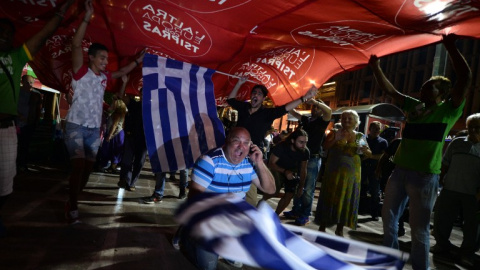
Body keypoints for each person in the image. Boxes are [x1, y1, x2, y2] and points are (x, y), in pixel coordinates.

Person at [368, 34, 472, 270]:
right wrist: (376, 67)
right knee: (388, 219)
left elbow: (465, 77)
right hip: (400, 171)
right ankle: (390, 261)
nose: (423, 88)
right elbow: (391, 90)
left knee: (419, 229)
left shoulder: (448, 111)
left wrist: (451, 48)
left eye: (429, 87)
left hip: (425, 176)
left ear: (442, 93)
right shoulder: (414, 107)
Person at [64, 0, 145, 224]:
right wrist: (87, 16)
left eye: (106, 59)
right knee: (79, 166)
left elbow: (121, 72)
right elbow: (76, 44)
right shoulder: (81, 72)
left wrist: (139, 60)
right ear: (91, 57)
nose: (105, 62)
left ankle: (72, 199)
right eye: (102, 58)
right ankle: (73, 206)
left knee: (88, 170)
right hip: (75, 127)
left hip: (93, 130)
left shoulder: (103, 78)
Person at [0, 0, 75, 236]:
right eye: (0, 32)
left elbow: (44, 34)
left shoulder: (16, 56)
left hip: (5, 129)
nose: (4, 36)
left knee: (6, 185)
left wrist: (61, 13)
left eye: (8, 33)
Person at [180, 127, 275, 269]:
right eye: (236, 141)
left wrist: (260, 163)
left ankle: (230, 249)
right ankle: (186, 234)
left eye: (246, 143)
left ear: (251, 145)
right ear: (227, 142)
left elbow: (270, 189)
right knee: (208, 266)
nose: (241, 147)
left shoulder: (249, 163)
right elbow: (194, 197)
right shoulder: (209, 161)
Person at [227, 77, 317, 206]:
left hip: (251, 157)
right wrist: (240, 83)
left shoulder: (267, 114)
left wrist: (304, 98)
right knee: (229, 183)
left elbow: (285, 108)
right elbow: (230, 100)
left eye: (259, 94)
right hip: (234, 152)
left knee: (248, 189)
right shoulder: (243, 108)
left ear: (263, 99)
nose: (255, 95)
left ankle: (248, 212)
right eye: (254, 93)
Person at [431, 113, 480, 267]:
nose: (473, 130)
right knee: (442, 218)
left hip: (473, 194)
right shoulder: (457, 142)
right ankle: (441, 245)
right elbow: (445, 164)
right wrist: (440, 179)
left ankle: (467, 253)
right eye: (470, 127)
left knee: (472, 226)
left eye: (477, 127)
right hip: (450, 188)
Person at [317, 110, 371, 236]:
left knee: (346, 197)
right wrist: (336, 139)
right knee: (330, 196)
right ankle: (323, 225)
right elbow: (325, 146)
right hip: (334, 172)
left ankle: (340, 228)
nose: (346, 120)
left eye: (350, 118)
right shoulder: (335, 132)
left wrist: (365, 150)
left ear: (356, 122)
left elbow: (369, 153)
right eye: (344, 118)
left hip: (352, 174)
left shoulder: (359, 136)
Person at [284, 98, 332, 225]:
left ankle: (305, 215)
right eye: (313, 106)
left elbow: (329, 112)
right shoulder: (306, 120)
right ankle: (296, 210)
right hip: (300, 158)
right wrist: (292, 100)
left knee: (308, 189)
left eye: (317, 107)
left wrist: (316, 102)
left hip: (313, 159)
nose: (315, 109)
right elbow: (293, 112)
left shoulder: (323, 121)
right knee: (298, 185)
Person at [262, 128, 309, 216]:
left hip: (292, 171)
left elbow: (303, 170)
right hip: (277, 168)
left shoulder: (305, 152)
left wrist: (301, 187)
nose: (303, 145)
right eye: (301, 142)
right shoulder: (281, 146)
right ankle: (261, 203)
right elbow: (271, 164)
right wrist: (285, 171)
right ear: (292, 140)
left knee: (290, 194)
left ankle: (275, 216)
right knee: (274, 191)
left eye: (305, 142)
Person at [118, 87, 147, 191]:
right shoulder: (134, 104)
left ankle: (132, 183)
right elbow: (121, 96)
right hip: (131, 136)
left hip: (144, 141)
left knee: (139, 162)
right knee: (126, 159)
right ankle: (125, 179)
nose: (145, 96)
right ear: (140, 94)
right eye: (143, 94)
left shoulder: (153, 109)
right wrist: (125, 83)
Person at [97, 78, 128, 173]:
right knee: (114, 151)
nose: (112, 100)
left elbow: (114, 125)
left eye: (114, 99)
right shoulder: (120, 111)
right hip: (119, 133)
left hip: (115, 134)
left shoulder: (117, 112)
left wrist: (109, 136)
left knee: (110, 150)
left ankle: (109, 166)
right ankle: (112, 167)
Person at [360, 121, 388, 221]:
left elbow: (383, 156)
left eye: (379, 128)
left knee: (375, 192)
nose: (377, 130)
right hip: (362, 168)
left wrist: (370, 156)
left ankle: (374, 213)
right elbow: (360, 151)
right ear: (370, 129)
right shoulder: (363, 139)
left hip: (374, 169)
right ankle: (360, 209)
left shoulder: (383, 142)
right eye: (375, 128)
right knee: (360, 189)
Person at [16, 75, 43, 172]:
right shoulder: (17, 92)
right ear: (22, 82)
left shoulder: (36, 94)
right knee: (17, 144)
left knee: (25, 144)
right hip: (17, 122)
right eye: (28, 82)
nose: (30, 84)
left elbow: (38, 109)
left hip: (29, 123)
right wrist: (19, 115)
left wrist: (36, 120)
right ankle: (15, 164)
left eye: (31, 82)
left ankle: (22, 164)